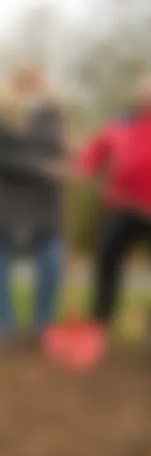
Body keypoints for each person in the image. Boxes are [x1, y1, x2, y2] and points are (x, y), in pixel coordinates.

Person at [0, 64, 69, 348]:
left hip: (42, 201)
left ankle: (43, 325)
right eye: (23, 77)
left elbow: (56, 151)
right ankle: (3, 326)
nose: (31, 80)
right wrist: (39, 168)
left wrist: (69, 161)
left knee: (51, 261)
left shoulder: (53, 113)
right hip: (4, 197)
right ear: (12, 80)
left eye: (36, 76)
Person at [75, 74, 151, 335]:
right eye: (146, 93)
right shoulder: (121, 123)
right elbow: (95, 152)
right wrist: (84, 167)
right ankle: (99, 324)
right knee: (107, 262)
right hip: (121, 206)